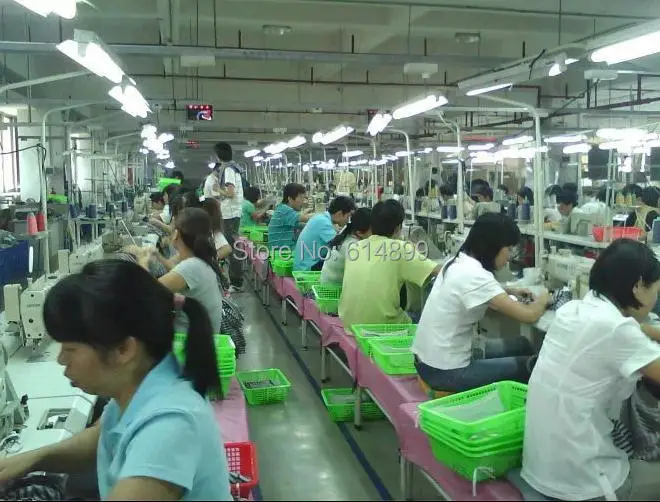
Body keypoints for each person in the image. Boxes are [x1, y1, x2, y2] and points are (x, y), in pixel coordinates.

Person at [0, 260, 232, 500]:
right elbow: (100, 437)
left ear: (124, 349)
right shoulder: (140, 386)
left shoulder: (170, 425)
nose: (61, 359)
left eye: (70, 349)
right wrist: (29, 460)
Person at [522, 239, 660, 500]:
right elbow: (626, 334)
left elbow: (631, 330)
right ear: (639, 286)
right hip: (583, 483)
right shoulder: (617, 330)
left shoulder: (573, 310)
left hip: (540, 466)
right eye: (656, 290)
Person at [412, 213, 550, 393]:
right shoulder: (475, 276)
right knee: (530, 366)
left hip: (427, 361)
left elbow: (478, 289)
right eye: (508, 249)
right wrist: (545, 296)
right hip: (446, 372)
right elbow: (529, 315)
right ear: (493, 247)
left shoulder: (457, 262)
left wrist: (510, 290)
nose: (509, 256)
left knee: (522, 344)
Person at [339, 199, 441, 327]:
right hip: (383, 327)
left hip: (350, 324)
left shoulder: (355, 247)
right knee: (424, 317)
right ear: (398, 228)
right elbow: (438, 271)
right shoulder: (400, 249)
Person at [154, 207, 224, 334]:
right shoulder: (199, 259)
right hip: (203, 338)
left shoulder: (191, 266)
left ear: (176, 234)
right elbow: (176, 272)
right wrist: (157, 255)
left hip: (190, 342)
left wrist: (142, 260)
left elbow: (146, 291)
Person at [206, 142, 245, 292]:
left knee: (232, 248)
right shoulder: (233, 168)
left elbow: (230, 193)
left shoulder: (228, 169)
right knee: (232, 246)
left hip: (230, 213)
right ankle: (235, 280)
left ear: (218, 156)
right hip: (232, 212)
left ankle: (236, 282)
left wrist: (218, 189)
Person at [293, 196, 355, 272]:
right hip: (307, 268)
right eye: (348, 216)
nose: (348, 220)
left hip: (304, 264)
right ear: (340, 213)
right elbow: (340, 246)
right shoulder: (324, 223)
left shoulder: (321, 218)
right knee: (341, 260)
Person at [321, 207, 371, 284]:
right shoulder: (354, 246)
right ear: (359, 233)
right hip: (334, 288)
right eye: (372, 231)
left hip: (326, 283)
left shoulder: (345, 235)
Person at [267, 183, 313, 251]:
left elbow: (299, 224)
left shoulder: (282, 209)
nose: (303, 201)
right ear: (290, 199)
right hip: (282, 253)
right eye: (301, 197)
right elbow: (305, 218)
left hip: (283, 250)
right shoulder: (285, 210)